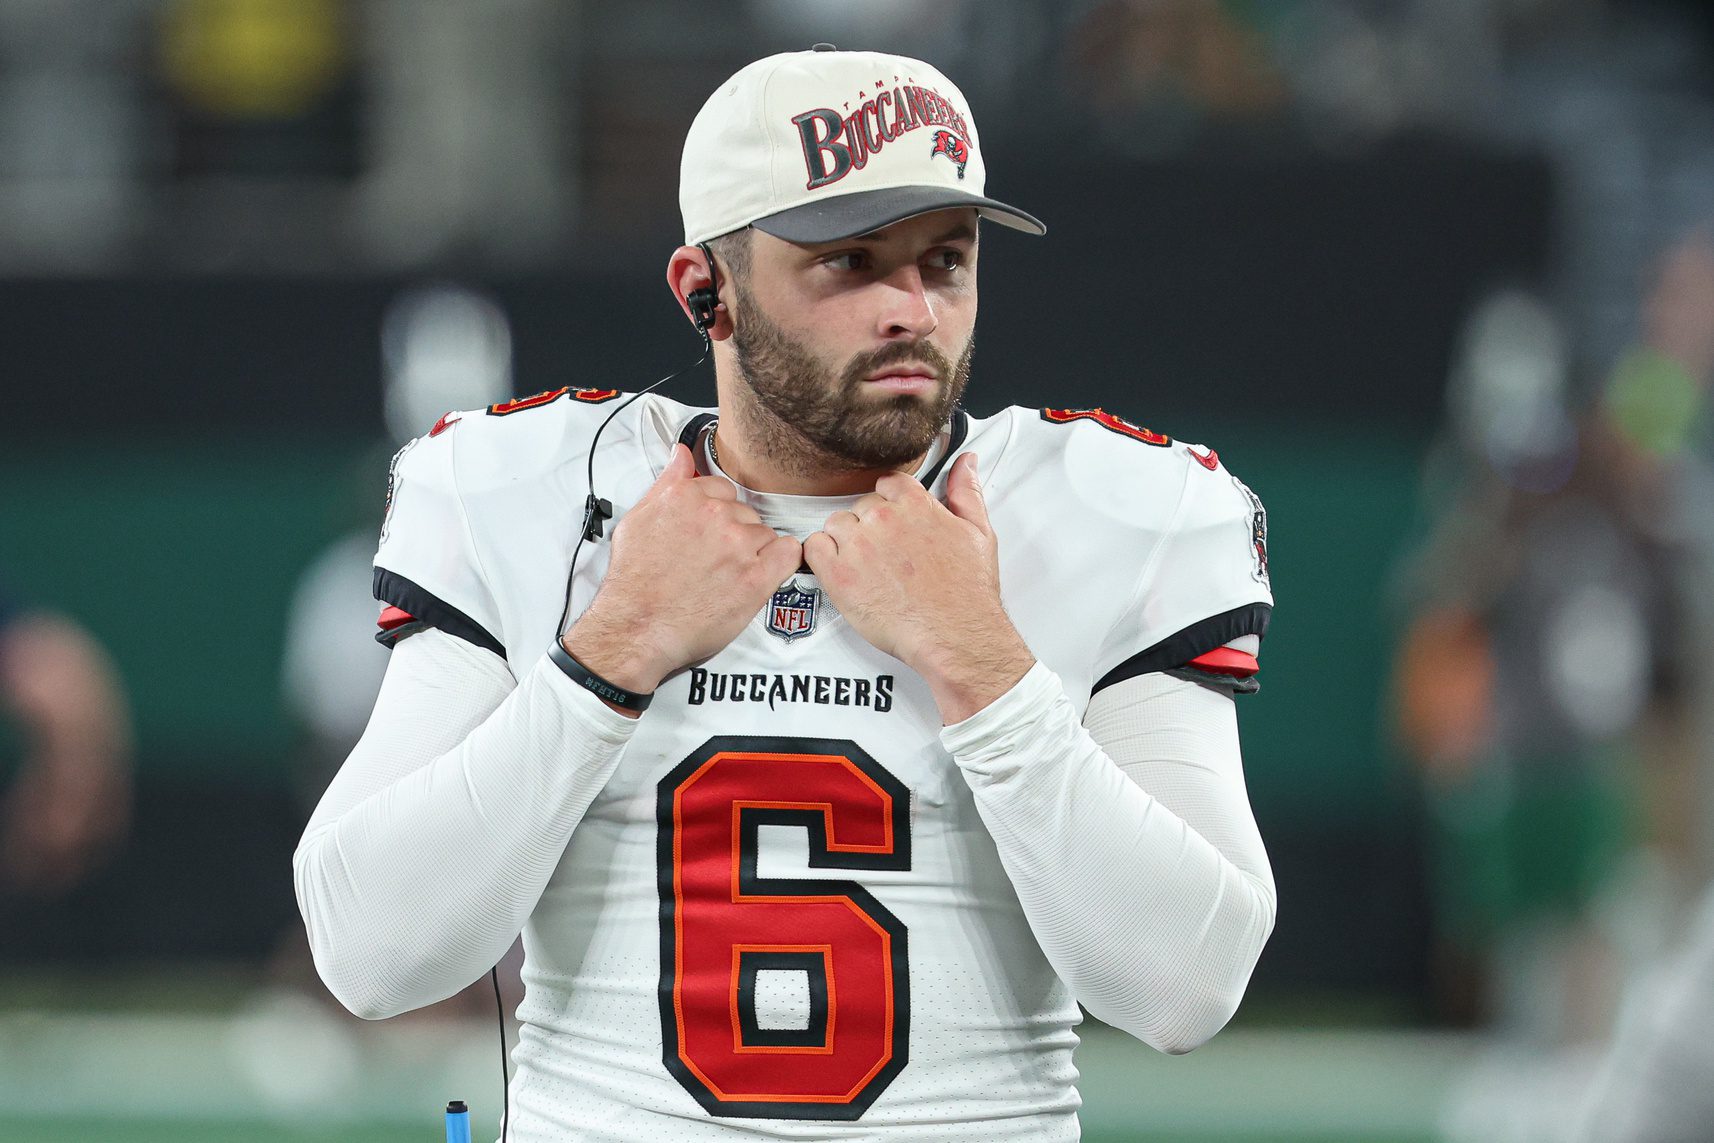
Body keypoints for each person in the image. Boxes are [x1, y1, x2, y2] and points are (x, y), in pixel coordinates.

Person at [295, 46, 1276, 1140]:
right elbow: (370, 952)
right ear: (704, 291)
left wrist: (986, 670)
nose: (911, 308)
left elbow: (1187, 988)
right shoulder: (540, 495)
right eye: (850, 263)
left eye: (944, 261)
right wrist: (611, 652)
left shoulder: (1101, 511)